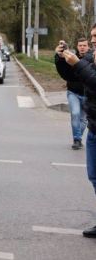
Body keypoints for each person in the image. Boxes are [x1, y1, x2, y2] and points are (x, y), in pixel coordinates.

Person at [57, 27, 96, 237]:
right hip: (94, 127)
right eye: (91, 38)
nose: (92, 41)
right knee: (94, 177)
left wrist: (79, 64)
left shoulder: (88, 59)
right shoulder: (91, 57)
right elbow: (70, 74)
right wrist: (60, 57)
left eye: (95, 38)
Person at [55, 38, 91, 150]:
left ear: (88, 47)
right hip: (73, 92)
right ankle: (77, 139)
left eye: (84, 45)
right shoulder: (71, 58)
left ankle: (78, 138)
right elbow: (63, 73)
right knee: (75, 114)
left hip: (87, 94)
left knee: (84, 119)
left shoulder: (92, 58)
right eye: (80, 45)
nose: (82, 47)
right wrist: (59, 57)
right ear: (77, 46)